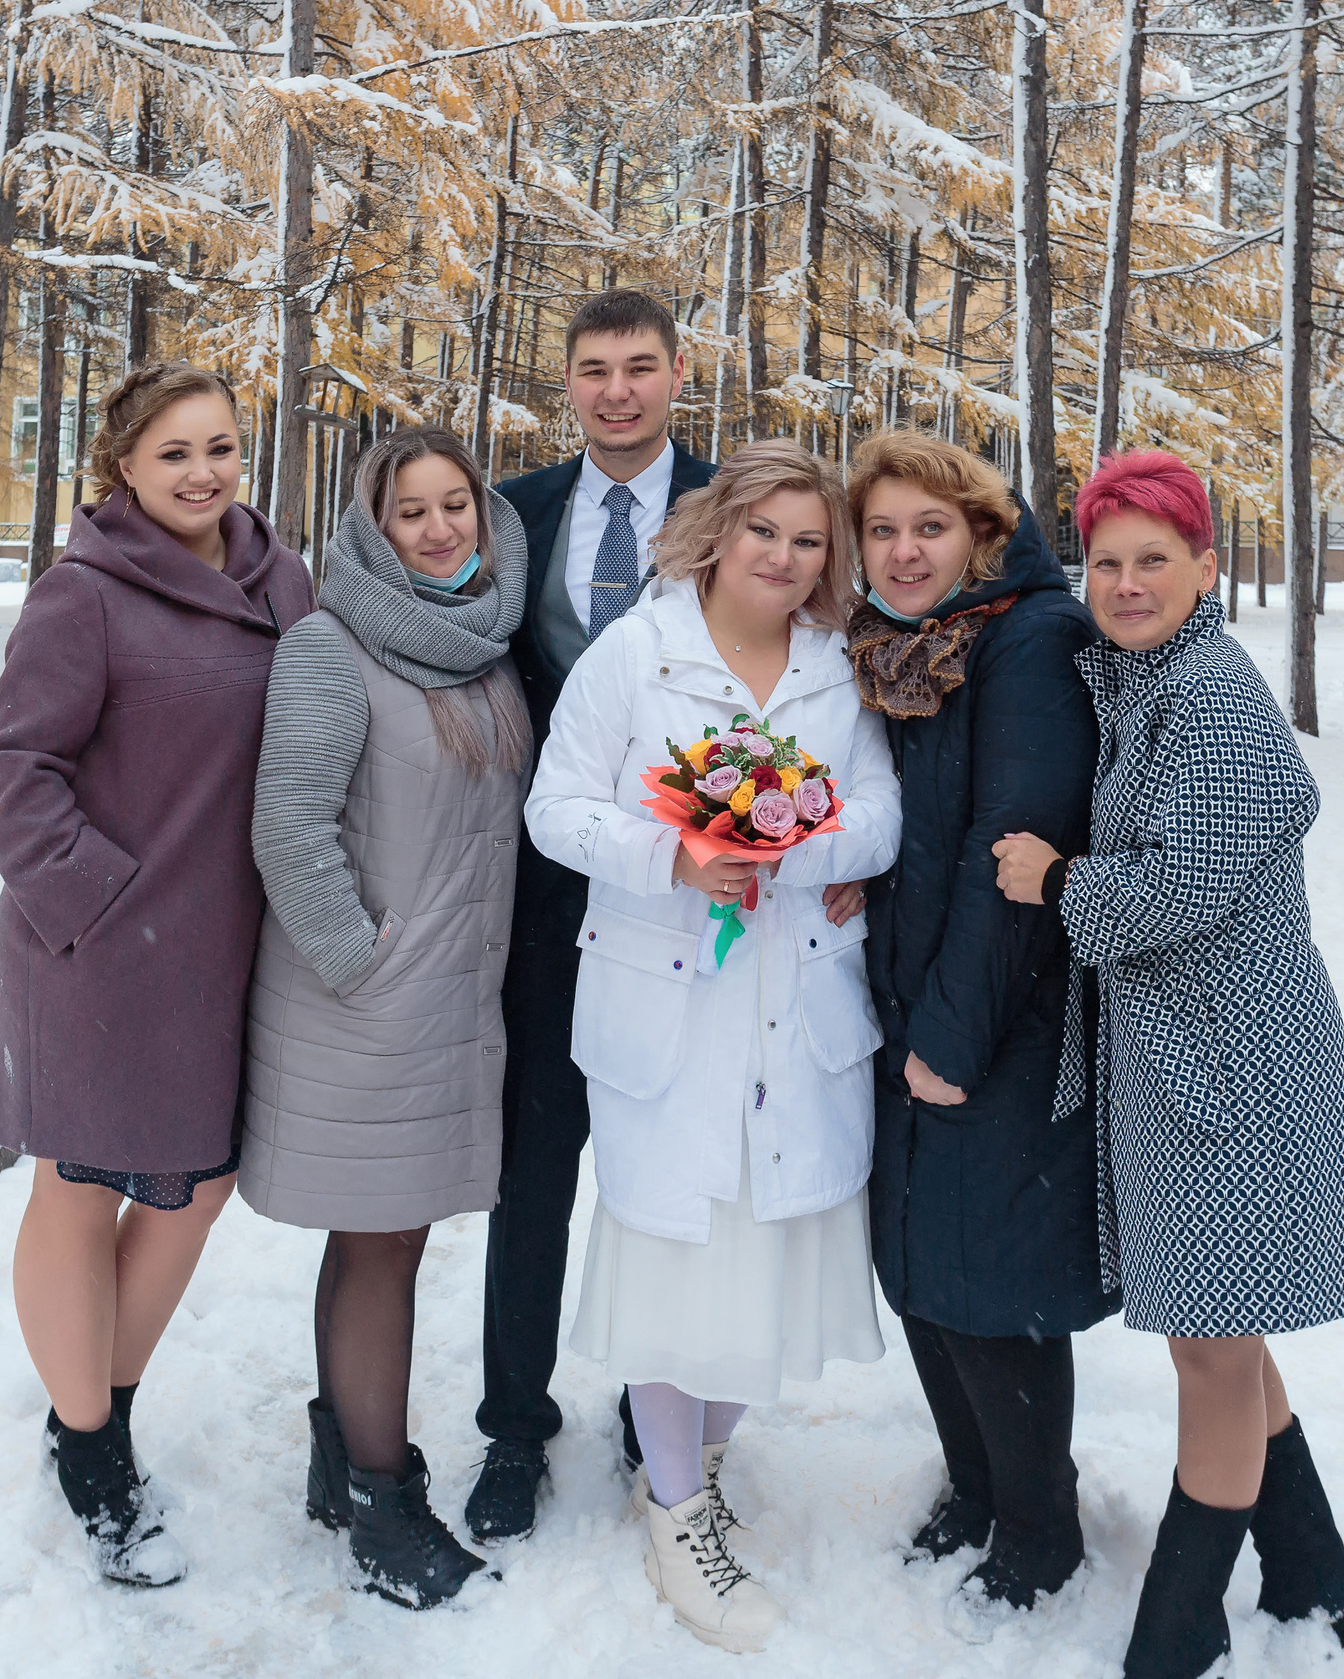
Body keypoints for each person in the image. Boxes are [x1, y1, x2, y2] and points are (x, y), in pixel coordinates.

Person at [992, 451, 1344, 1679]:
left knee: (1209, 1345)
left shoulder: (1213, 700)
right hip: (1178, 1062)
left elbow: (1175, 889)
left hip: (1237, 1071)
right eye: (1104, 562)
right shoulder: (1145, 680)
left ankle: (1181, 1616)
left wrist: (1053, 878)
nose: (1125, 583)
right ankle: (1307, 1561)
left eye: (1154, 559)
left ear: (1207, 568)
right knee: (1215, 1327)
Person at [524, 440, 898, 1651]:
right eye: (762, 533)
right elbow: (555, 808)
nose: (782, 559)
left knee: (765, 1249)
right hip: (668, 1003)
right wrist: (672, 855)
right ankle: (675, 1511)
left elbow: (880, 812)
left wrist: (801, 846)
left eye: (807, 541)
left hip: (795, 999)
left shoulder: (839, 668)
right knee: (674, 1254)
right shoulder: (637, 653)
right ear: (716, 533)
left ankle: (701, 1461)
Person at [0, 363, 315, 1586]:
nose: (202, 472)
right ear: (122, 465)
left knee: (194, 1189)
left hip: (228, 950)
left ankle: (97, 1402)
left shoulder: (283, 580)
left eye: (219, 446)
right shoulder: (86, 593)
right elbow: (14, 764)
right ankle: (89, 1446)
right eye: (173, 452)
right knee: (79, 1185)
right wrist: (98, 902)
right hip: (103, 950)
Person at [242, 427, 530, 1609]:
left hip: (448, 1001)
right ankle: (382, 1500)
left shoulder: (483, 647)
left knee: (383, 1239)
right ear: (372, 529)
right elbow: (288, 829)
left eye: (455, 503)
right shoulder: (331, 647)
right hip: (368, 1010)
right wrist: (364, 964)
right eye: (410, 512)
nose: (439, 528)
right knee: (381, 1243)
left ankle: (340, 1462)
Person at [843, 431, 1115, 1619]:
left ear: (983, 534)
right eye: (883, 531)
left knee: (994, 1285)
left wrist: (951, 1041)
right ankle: (976, 1483)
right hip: (902, 1004)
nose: (904, 552)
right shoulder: (906, 647)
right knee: (923, 1272)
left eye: (930, 528)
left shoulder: (1027, 642)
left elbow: (1012, 850)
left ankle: (1039, 1525)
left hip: (998, 1019)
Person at [466, 289, 720, 1541]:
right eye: (593, 369)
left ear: (677, 373)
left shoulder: (732, 507)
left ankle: (654, 1410)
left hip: (697, 894)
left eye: (639, 367)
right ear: (564, 382)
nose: (616, 391)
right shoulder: (512, 513)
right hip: (542, 892)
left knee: (663, 1164)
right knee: (534, 1164)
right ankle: (514, 1425)